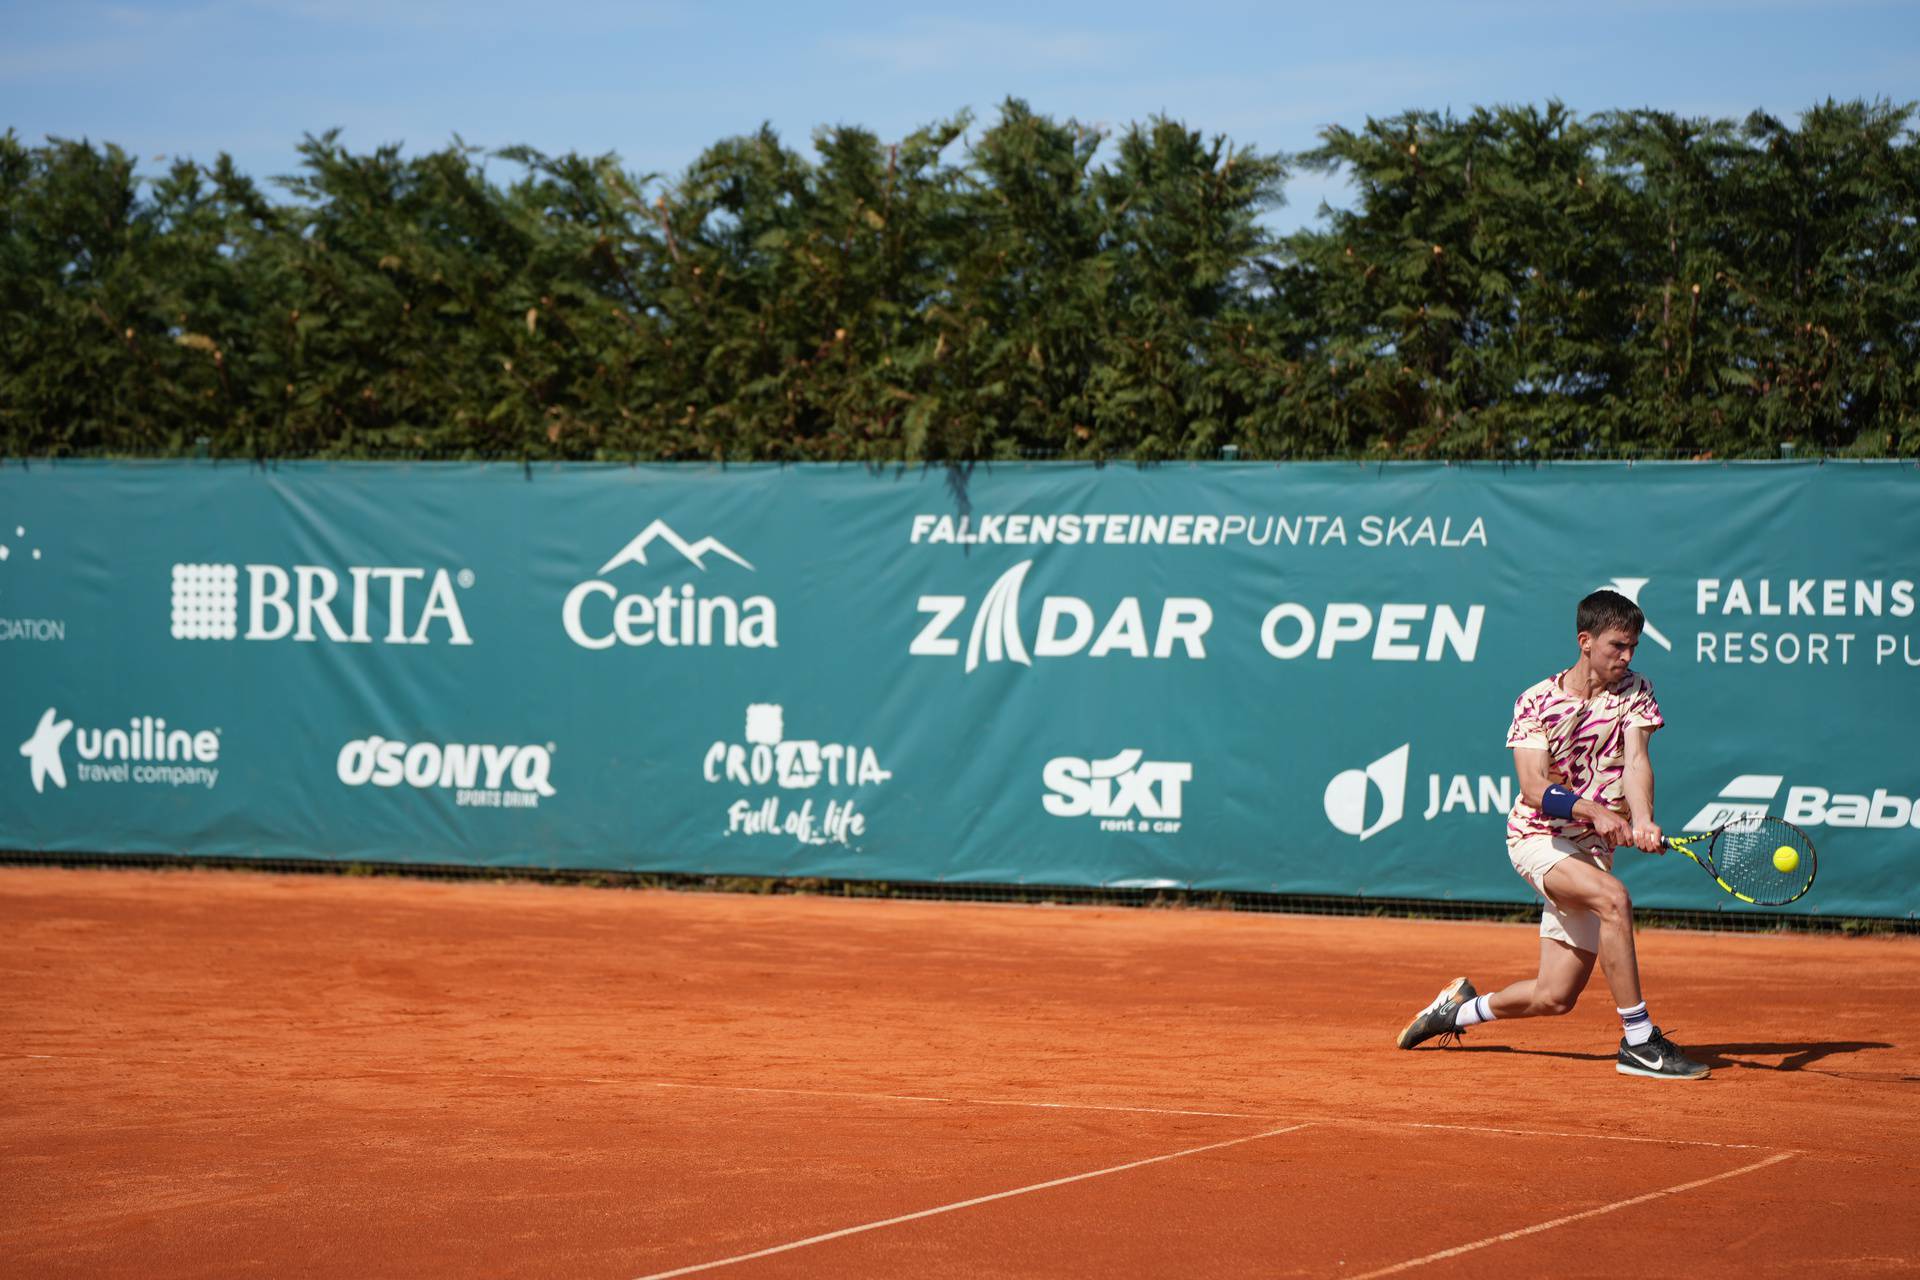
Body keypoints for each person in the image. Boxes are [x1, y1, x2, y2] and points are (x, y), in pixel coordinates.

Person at [1395, 588, 1709, 1080]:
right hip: (1537, 839)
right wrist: (1593, 810)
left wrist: (1643, 817)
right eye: (1616, 647)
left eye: (1632, 648)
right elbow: (1534, 785)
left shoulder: (1637, 690)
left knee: (1555, 995)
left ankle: (1455, 1011)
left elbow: (1637, 762)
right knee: (1614, 899)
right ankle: (1640, 1042)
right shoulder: (1536, 701)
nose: (1626, 658)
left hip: (1590, 851)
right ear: (1585, 641)